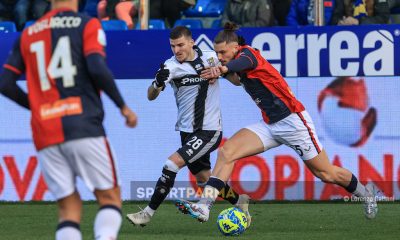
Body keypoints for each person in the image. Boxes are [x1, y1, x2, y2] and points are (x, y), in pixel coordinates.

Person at [175, 22, 379, 223]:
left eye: (222, 52)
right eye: (217, 54)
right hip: (270, 125)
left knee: (326, 173)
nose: (219, 57)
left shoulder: (248, 54)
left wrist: (221, 69)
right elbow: (237, 80)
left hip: (293, 122)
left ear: (235, 47)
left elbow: (240, 64)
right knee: (227, 152)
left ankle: (365, 193)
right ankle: (204, 206)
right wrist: (223, 74)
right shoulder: (236, 62)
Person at [0, 0, 138, 239]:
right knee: (110, 197)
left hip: (45, 131)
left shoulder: (29, 33)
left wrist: (37, 107)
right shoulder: (87, 24)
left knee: (68, 207)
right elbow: (96, 67)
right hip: (83, 123)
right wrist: (122, 106)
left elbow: (5, 83)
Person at [126, 26, 251, 227]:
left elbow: (236, 82)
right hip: (187, 132)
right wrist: (157, 84)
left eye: (181, 45)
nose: (177, 50)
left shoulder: (211, 58)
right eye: (173, 46)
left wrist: (224, 71)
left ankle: (147, 214)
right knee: (204, 179)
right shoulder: (170, 66)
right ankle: (239, 200)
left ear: (192, 42)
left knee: (171, 164)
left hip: (209, 130)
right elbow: (150, 96)